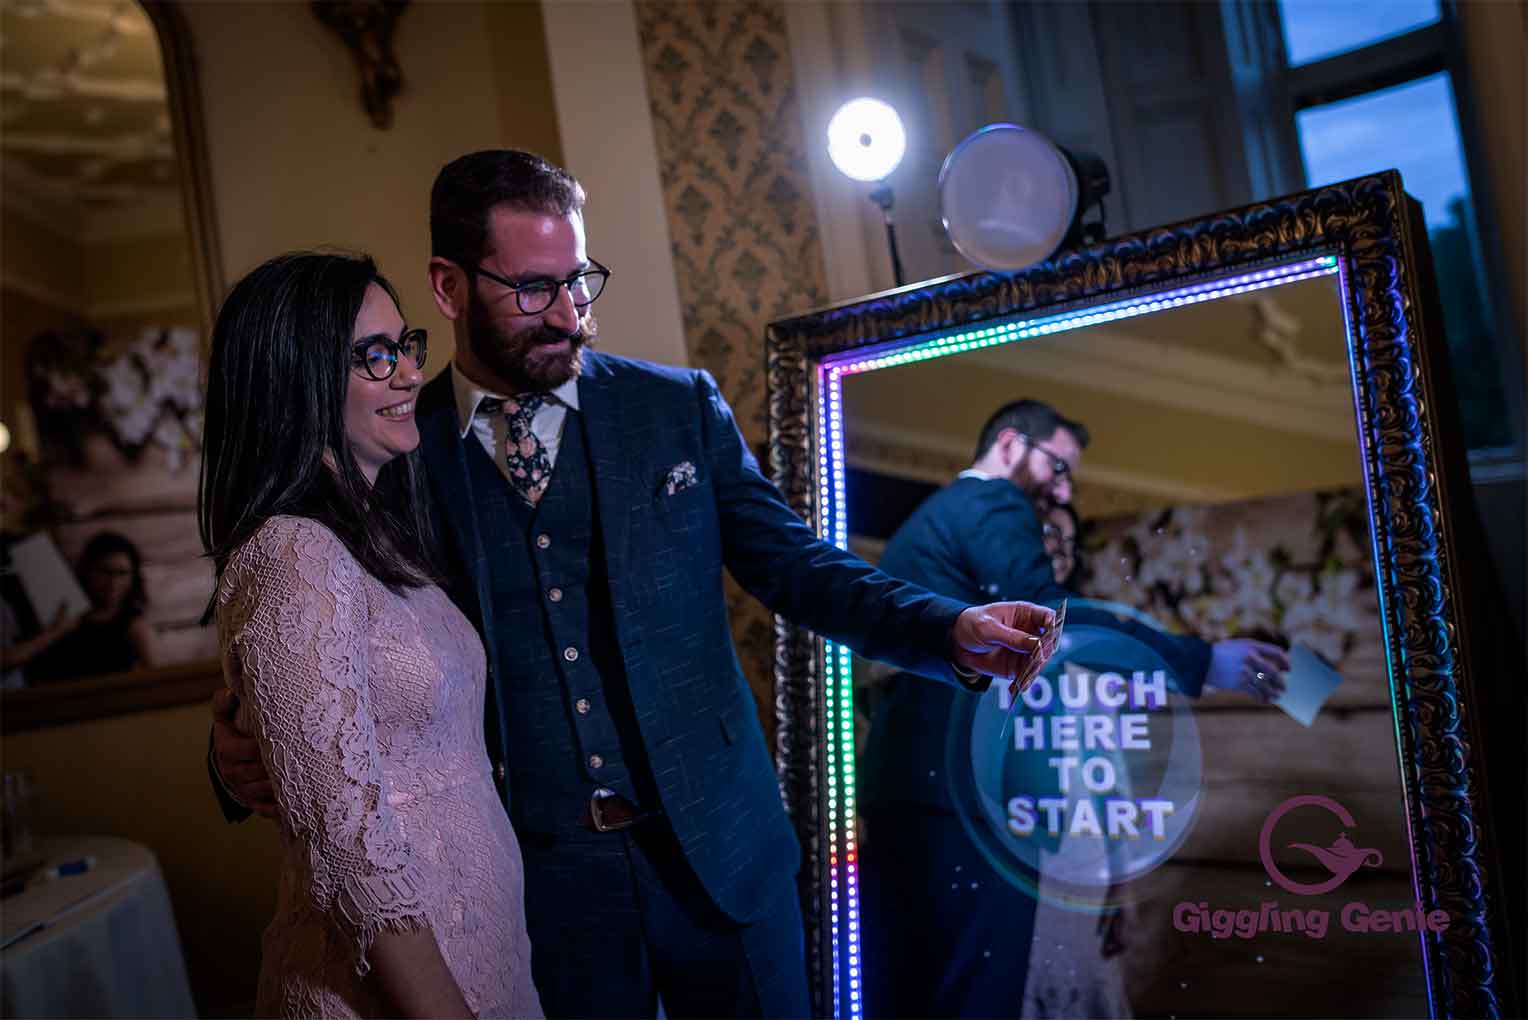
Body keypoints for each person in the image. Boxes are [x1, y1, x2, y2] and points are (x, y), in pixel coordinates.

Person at [211, 150, 1056, 1019]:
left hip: (722, 855)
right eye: (532, 289)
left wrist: (945, 629)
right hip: (544, 890)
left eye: (579, 281)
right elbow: (312, 660)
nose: (567, 314)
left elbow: (799, 567)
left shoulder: (676, 408)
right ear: (449, 286)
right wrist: (233, 751)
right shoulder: (394, 447)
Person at [858, 399, 1290, 1019]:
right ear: (1009, 444)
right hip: (964, 800)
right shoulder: (991, 502)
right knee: (977, 998)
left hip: (906, 790)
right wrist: (1203, 662)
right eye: (1058, 467)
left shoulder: (929, 524)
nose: (1062, 490)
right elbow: (1050, 620)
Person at [201, 252, 542, 1018]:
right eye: (375, 356)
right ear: (297, 378)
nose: (410, 373)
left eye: (405, 346)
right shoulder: (293, 550)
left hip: (494, 948)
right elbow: (346, 840)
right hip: (391, 988)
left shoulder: (382, 530)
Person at [4, 531, 159, 683]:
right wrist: (55, 631)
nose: (113, 583)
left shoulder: (134, 625)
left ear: (133, 577)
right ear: (87, 571)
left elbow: (157, 679)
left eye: (122, 573)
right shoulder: (58, 609)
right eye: (105, 572)